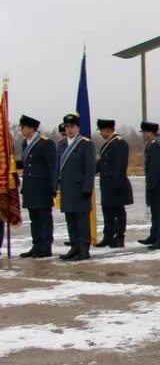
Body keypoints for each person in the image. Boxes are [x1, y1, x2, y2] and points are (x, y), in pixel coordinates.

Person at [56, 112, 96, 261]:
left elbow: (90, 168)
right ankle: (74, 247)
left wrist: (87, 188)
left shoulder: (86, 144)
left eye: (72, 126)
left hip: (80, 189)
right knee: (70, 220)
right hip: (66, 188)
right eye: (66, 127)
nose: (69, 130)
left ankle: (84, 249)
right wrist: (55, 185)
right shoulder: (61, 144)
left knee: (82, 221)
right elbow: (57, 167)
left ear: (78, 127)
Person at [17, 114, 56, 258]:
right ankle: (36, 245)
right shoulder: (25, 143)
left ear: (31, 128)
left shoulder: (45, 143)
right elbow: (27, 164)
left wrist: (54, 186)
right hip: (30, 186)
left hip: (42, 186)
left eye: (23, 127)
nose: (21, 130)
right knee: (34, 218)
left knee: (44, 217)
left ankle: (45, 247)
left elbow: (52, 166)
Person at [95, 119, 133, 248]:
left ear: (107, 129)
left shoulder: (120, 143)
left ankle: (119, 237)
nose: (100, 133)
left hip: (116, 184)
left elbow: (120, 166)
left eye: (101, 130)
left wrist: (117, 184)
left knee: (118, 212)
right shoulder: (109, 144)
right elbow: (102, 162)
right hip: (107, 184)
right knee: (107, 211)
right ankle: (108, 236)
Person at [139, 121, 160, 249]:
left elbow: (155, 168)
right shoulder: (158, 143)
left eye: (144, 132)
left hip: (159, 185)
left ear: (149, 132)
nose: (144, 135)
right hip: (159, 184)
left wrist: (151, 185)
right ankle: (154, 235)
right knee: (155, 212)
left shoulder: (155, 145)